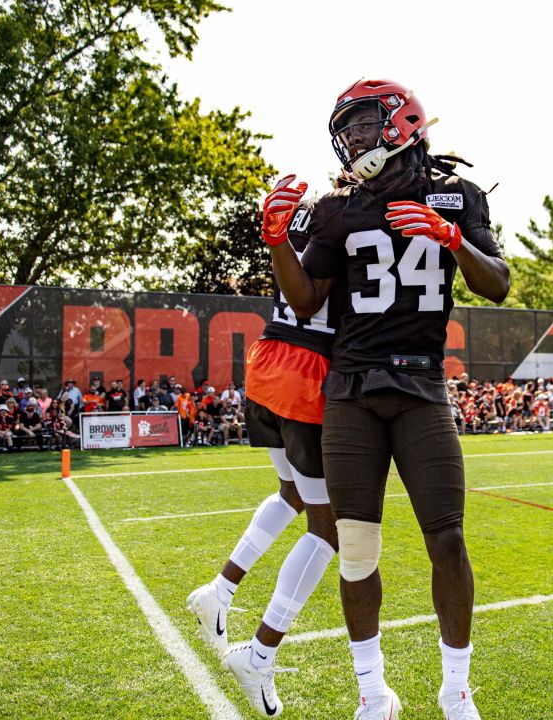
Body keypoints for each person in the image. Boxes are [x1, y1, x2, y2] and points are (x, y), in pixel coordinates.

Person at [269, 78, 509, 719]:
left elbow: (499, 285)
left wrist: (451, 238)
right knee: (356, 546)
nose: (350, 137)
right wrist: (276, 245)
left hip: (422, 388)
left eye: (362, 122)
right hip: (351, 391)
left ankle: (456, 688)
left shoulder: (457, 197)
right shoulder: (337, 207)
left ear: (402, 121)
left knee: (448, 540)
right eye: (342, 128)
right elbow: (305, 300)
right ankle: (373, 693)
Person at [187, 193, 348, 718]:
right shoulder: (349, 214)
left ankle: (220, 589)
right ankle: (260, 653)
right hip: (306, 370)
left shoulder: (307, 212)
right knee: (329, 529)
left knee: (291, 494)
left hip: (267, 360)